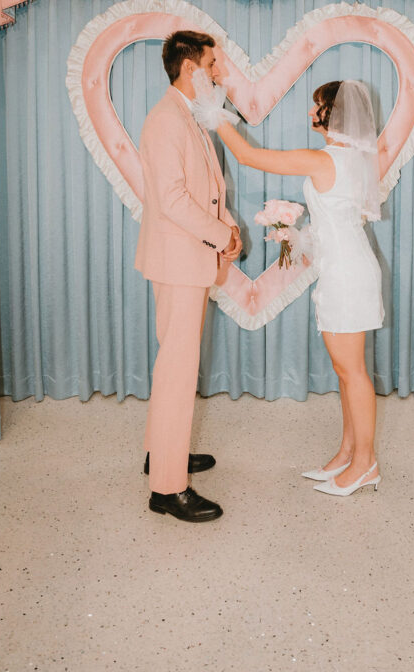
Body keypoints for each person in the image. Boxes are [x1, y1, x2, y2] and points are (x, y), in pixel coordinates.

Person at [194, 76, 384, 497]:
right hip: (346, 267)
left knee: (353, 373)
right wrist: (300, 238)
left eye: (316, 105)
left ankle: (366, 464)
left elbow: (246, 155)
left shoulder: (323, 159)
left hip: (347, 274)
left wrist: (213, 112)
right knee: (346, 371)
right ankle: (348, 452)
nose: (310, 112)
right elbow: (338, 220)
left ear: (329, 115)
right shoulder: (351, 158)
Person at [134, 30, 242, 523]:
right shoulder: (165, 120)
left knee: (175, 365)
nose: (219, 72)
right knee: (178, 369)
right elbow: (174, 199)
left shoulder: (186, 115)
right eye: (213, 64)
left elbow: (207, 190)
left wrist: (227, 228)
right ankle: (167, 488)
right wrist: (221, 235)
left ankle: (164, 452)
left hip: (187, 259)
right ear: (190, 69)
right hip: (179, 262)